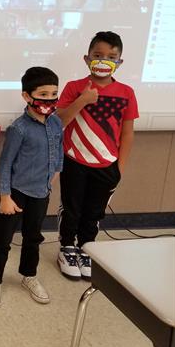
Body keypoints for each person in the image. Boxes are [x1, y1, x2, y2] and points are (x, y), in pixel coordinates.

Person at [56, 31, 138, 280]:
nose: (104, 61)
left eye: (111, 57)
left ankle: (86, 247)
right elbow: (59, 121)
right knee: (72, 208)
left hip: (107, 165)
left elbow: (127, 134)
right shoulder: (74, 87)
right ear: (87, 58)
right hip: (74, 161)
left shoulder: (126, 92)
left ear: (119, 62)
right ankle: (67, 247)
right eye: (98, 55)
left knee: (94, 211)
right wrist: (83, 100)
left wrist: (119, 168)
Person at [0, 67, 63, 309]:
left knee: (33, 237)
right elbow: (5, 163)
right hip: (15, 194)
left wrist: (52, 177)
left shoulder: (56, 123)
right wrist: (4, 196)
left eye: (53, 94)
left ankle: (29, 275)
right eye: (43, 94)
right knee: (2, 240)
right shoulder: (19, 128)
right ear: (27, 96)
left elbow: (58, 151)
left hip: (41, 193)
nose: (49, 99)